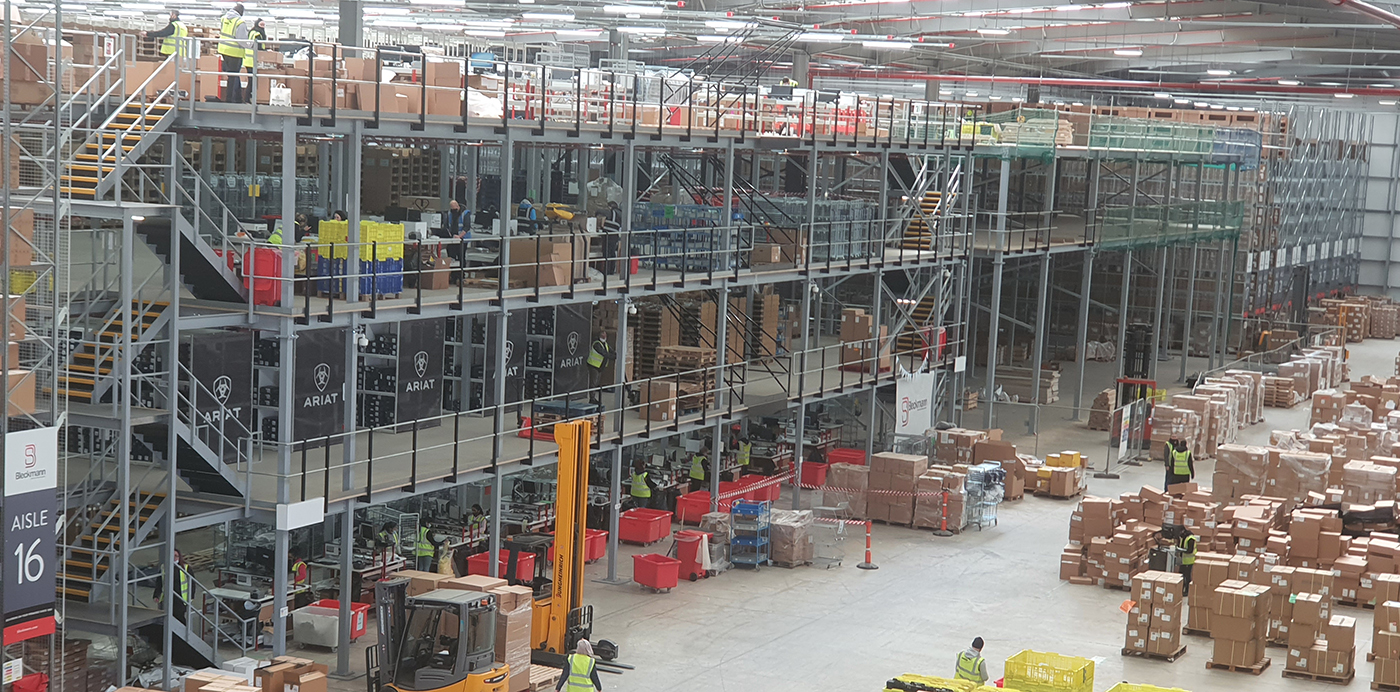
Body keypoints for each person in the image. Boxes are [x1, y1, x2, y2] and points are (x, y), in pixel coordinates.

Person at [216, 4, 249, 103]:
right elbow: (242, 40)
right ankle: (229, 99)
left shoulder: (224, 18)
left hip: (223, 50)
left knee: (233, 75)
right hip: (235, 52)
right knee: (233, 76)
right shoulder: (240, 22)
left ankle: (237, 97)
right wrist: (250, 45)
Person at [154, 550, 191, 624]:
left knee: (179, 616)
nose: (174, 558)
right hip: (167, 597)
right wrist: (156, 595)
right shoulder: (164, 567)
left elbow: (192, 583)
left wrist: (191, 597)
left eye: (176, 556)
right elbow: (159, 583)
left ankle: (183, 632)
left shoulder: (186, 568)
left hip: (180, 599)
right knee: (169, 617)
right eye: (172, 555)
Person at [242, 18, 267, 103]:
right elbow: (258, 46)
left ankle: (248, 98)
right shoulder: (256, 33)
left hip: (251, 59)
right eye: (261, 25)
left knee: (252, 81)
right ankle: (247, 99)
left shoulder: (254, 32)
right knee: (252, 81)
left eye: (264, 25)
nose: (263, 27)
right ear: (257, 25)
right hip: (251, 60)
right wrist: (266, 52)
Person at [585, 331, 614, 404]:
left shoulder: (606, 345)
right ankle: (592, 398)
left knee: (596, 382)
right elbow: (604, 353)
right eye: (602, 336)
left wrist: (615, 355)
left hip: (600, 367)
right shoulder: (597, 344)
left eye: (605, 335)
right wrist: (612, 356)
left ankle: (593, 398)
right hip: (593, 365)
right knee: (593, 383)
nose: (604, 337)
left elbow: (611, 351)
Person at [1179, 528, 1198, 596]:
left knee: (1187, 577)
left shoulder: (1190, 539)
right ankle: (1181, 589)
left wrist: (1181, 550)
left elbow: (1190, 550)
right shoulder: (1184, 538)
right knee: (1181, 576)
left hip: (1189, 561)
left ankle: (1187, 591)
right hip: (1183, 561)